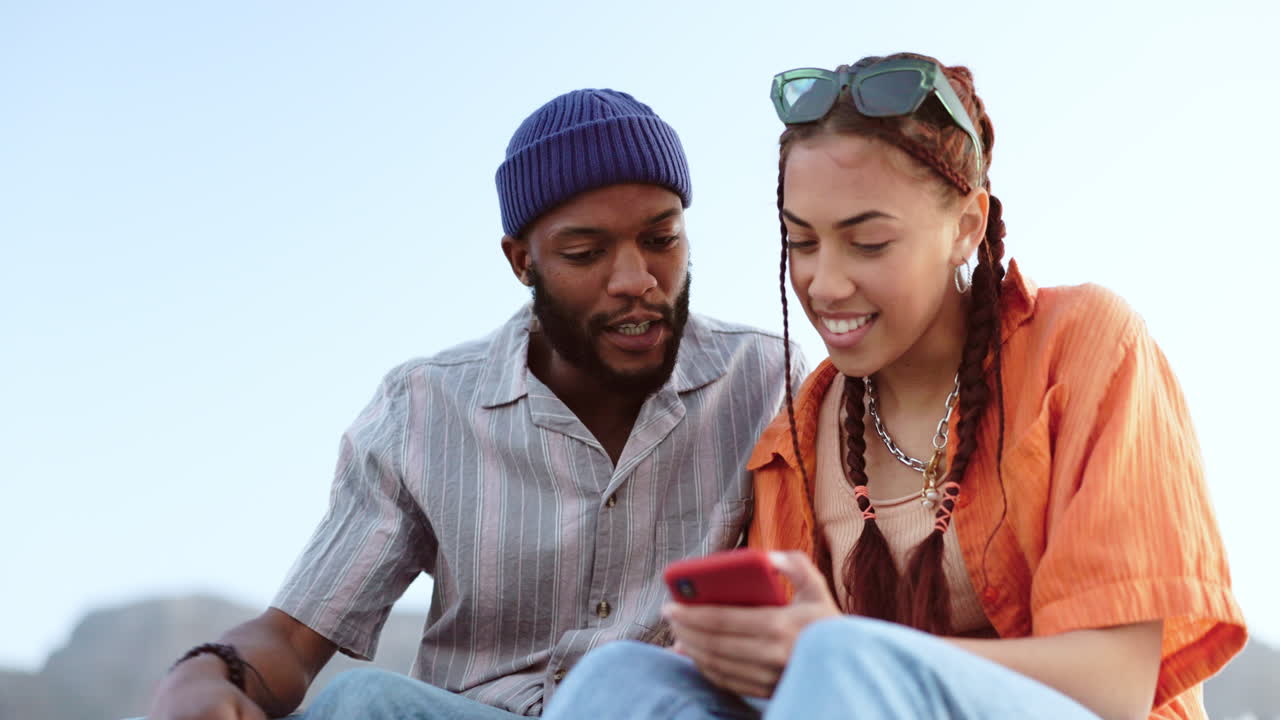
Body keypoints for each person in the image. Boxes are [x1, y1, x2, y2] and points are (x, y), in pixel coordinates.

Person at [543, 53, 1247, 720]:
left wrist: (846, 650)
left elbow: (1117, 686)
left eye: (869, 243)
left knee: (841, 656)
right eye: (802, 242)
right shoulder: (796, 437)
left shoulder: (1082, 344)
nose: (825, 283)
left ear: (966, 226)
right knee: (619, 678)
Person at [144, 88, 805, 720]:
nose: (636, 281)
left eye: (662, 241)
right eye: (586, 252)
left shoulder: (764, 378)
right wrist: (204, 674)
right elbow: (293, 638)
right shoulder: (424, 407)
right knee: (363, 704)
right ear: (522, 262)